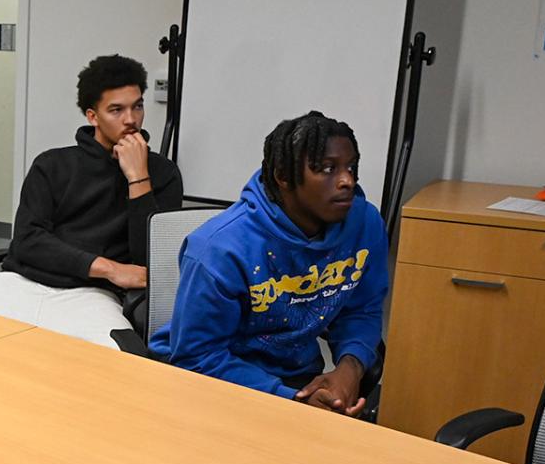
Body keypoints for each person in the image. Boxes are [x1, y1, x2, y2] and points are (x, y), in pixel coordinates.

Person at [149, 111, 388, 413]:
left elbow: (362, 309)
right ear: (283, 177)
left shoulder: (365, 224)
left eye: (351, 167)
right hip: (213, 382)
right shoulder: (219, 249)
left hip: (297, 379)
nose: (347, 181)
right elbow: (197, 357)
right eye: (327, 169)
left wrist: (349, 369)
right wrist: (289, 401)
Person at [0, 53, 182, 346]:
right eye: (116, 110)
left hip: (91, 297)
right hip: (21, 284)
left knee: (127, 364)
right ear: (93, 116)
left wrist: (137, 178)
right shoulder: (52, 165)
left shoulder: (162, 173)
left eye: (137, 106)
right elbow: (28, 241)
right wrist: (110, 268)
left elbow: (149, 263)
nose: (131, 120)